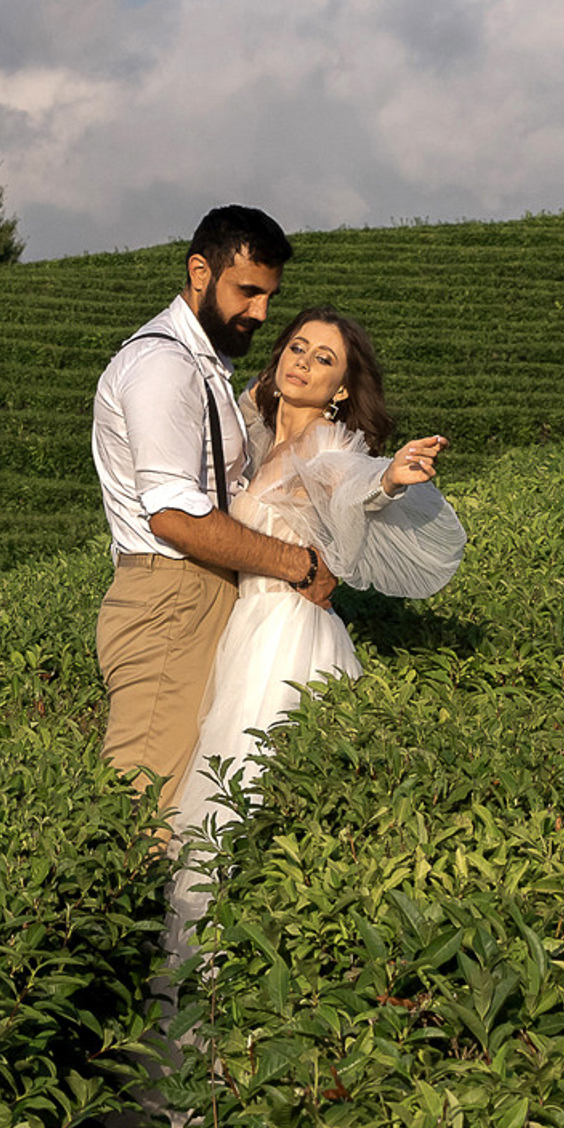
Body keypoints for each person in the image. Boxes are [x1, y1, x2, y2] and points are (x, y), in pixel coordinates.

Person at [168, 304, 465, 899]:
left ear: (342, 389)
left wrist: (388, 478)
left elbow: (351, 483)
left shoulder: (321, 443)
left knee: (241, 790)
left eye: (324, 359)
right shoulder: (258, 438)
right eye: (297, 347)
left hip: (283, 633)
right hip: (243, 622)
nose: (303, 363)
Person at [90, 207, 339, 817]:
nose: (260, 312)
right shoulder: (163, 367)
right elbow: (175, 518)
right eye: (247, 291)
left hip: (195, 593)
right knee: (145, 804)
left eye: (269, 296)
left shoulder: (199, 363)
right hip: (173, 596)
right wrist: (301, 566)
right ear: (200, 272)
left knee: (187, 803)